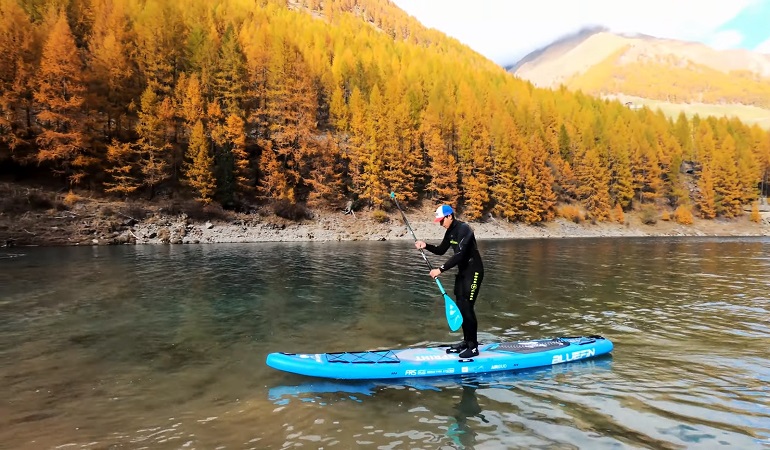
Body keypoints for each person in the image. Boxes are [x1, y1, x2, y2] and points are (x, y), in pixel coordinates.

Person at [415, 204, 484, 358]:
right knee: (461, 306)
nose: (440, 223)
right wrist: (425, 246)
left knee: (467, 307)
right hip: (463, 272)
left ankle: (473, 346)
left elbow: (460, 255)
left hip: (474, 271)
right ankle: (467, 342)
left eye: (442, 220)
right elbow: (441, 250)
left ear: (449, 216)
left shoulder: (464, 229)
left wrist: (440, 270)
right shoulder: (450, 232)